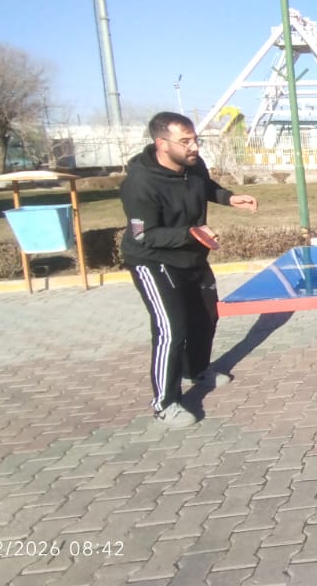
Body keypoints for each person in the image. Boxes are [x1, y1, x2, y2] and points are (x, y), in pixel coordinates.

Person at [120, 112, 258, 428]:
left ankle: (196, 370)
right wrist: (191, 233)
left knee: (206, 317)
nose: (194, 146)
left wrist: (229, 198)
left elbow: (205, 186)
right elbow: (142, 235)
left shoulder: (193, 165)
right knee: (172, 329)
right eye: (185, 141)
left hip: (192, 256)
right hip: (152, 261)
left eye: (195, 139)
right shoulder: (139, 184)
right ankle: (165, 403)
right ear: (162, 144)